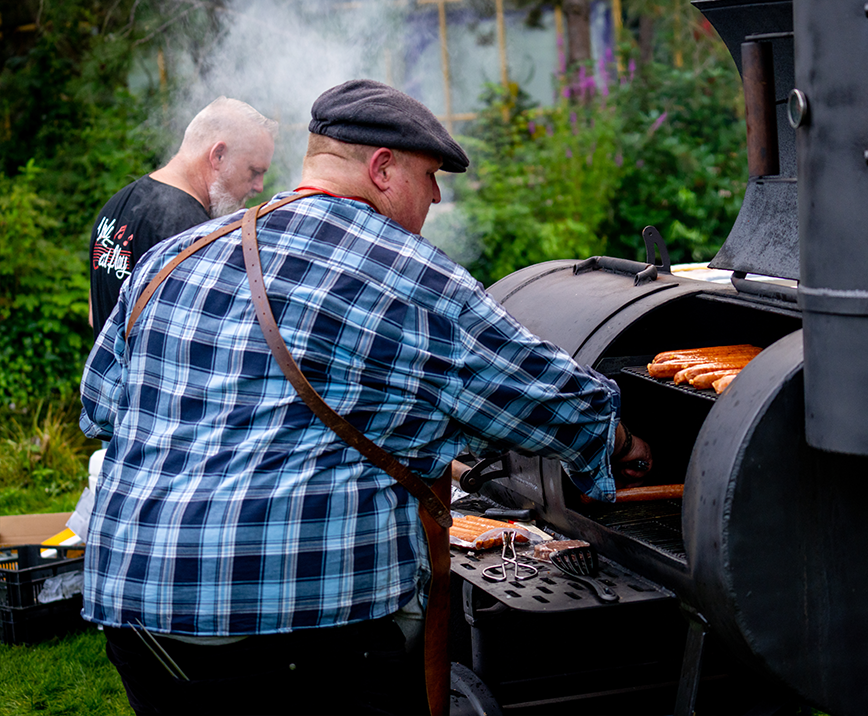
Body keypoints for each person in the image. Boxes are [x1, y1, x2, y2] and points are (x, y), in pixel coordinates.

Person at [79, 79, 652, 715]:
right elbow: (547, 398)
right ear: (382, 168)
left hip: (138, 614)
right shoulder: (411, 273)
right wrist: (622, 440)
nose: (437, 195)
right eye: (430, 175)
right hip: (297, 629)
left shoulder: (177, 255)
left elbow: (101, 407)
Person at [88, 96, 277, 338]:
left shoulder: (114, 206)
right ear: (218, 155)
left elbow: (95, 317)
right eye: (254, 171)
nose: (259, 187)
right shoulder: (191, 231)